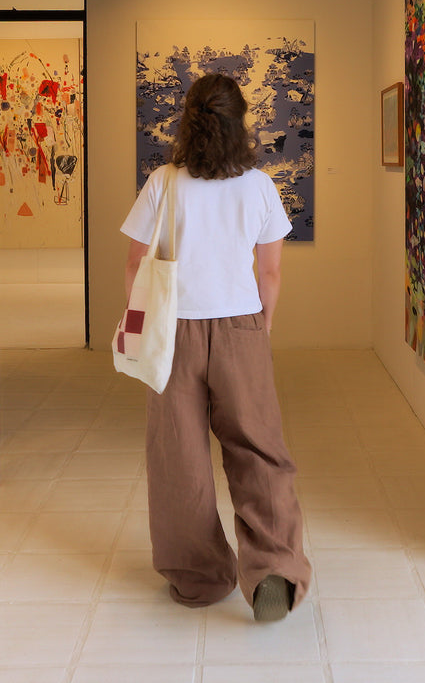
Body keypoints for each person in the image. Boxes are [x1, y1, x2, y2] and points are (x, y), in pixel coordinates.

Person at [120, 73, 311, 621]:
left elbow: (135, 264)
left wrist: (144, 322)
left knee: (177, 455)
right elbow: (269, 272)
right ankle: (274, 570)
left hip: (173, 330)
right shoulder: (259, 186)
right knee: (259, 449)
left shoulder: (163, 182)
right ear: (239, 121)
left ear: (189, 120)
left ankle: (199, 578)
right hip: (240, 327)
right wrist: (261, 326)